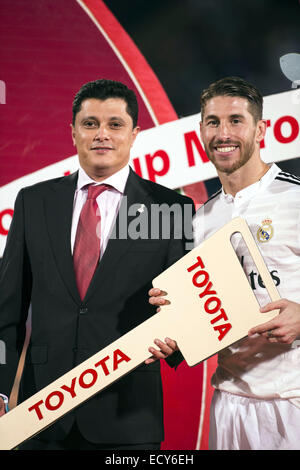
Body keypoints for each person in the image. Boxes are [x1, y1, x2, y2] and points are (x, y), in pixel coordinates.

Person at [0, 79, 194, 450]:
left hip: (128, 420)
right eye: (90, 124)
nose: (102, 134)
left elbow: (184, 315)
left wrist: (178, 339)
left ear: (135, 133)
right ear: (72, 133)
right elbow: (7, 310)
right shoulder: (33, 202)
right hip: (41, 419)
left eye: (115, 124)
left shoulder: (172, 209)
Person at [149, 76, 300, 450]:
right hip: (230, 402)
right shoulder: (202, 221)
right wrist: (173, 327)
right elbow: (209, 315)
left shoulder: (294, 199)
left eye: (236, 120)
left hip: (293, 400)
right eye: (213, 122)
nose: (223, 133)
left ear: (261, 130)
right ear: (201, 131)